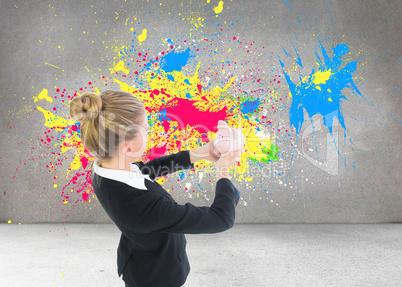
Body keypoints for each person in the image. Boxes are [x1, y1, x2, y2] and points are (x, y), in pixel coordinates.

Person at [69, 90, 243, 287]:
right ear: (127, 148)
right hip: (159, 277)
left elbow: (146, 170)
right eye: (145, 128)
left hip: (140, 259)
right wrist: (223, 170)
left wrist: (204, 153)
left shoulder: (105, 167)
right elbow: (221, 218)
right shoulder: (144, 207)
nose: (150, 129)